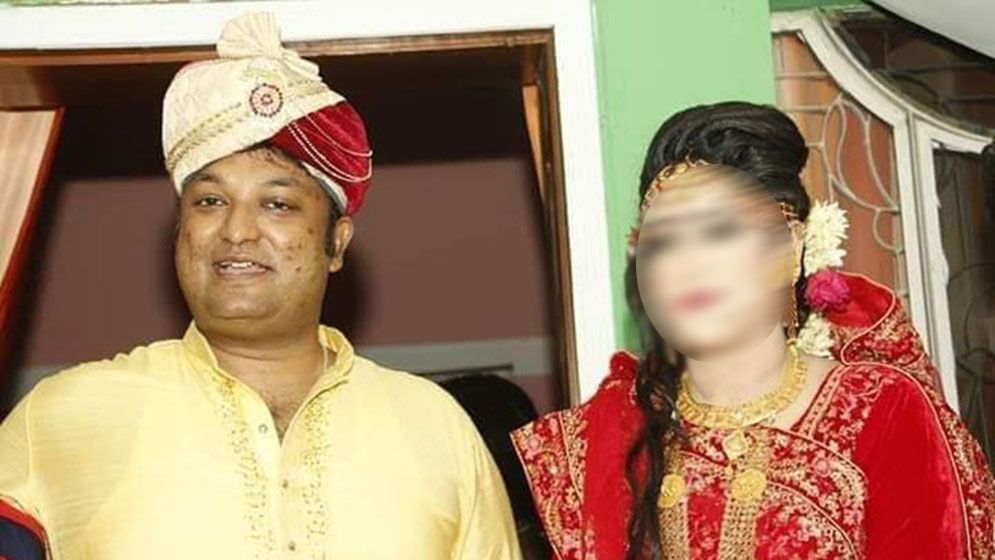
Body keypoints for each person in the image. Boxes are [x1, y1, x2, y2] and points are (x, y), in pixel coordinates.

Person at [0, 12, 520, 559]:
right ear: (180, 231)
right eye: (210, 201)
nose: (237, 231)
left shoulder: (435, 428)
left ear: (337, 243)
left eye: (277, 204)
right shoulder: (67, 416)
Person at [511, 102, 995, 559]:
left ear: (790, 245)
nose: (688, 262)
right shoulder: (615, 439)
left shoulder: (881, 408)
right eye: (663, 240)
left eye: (719, 232)